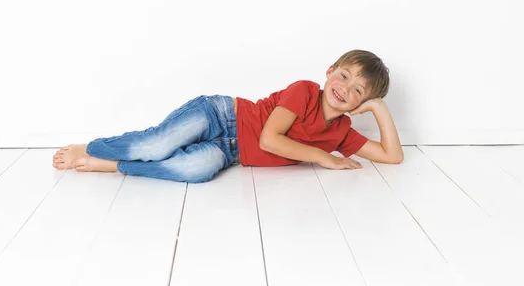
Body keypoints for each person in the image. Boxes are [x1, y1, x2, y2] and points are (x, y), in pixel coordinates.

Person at [52, 49, 403, 182]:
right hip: (223, 116)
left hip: (232, 152)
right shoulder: (305, 90)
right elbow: (269, 139)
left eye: (359, 91)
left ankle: (117, 165)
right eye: (344, 76)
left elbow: (392, 156)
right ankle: (95, 147)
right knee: (159, 143)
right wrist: (323, 158)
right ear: (330, 71)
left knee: (196, 170)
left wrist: (379, 107)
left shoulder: (341, 132)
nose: (346, 89)